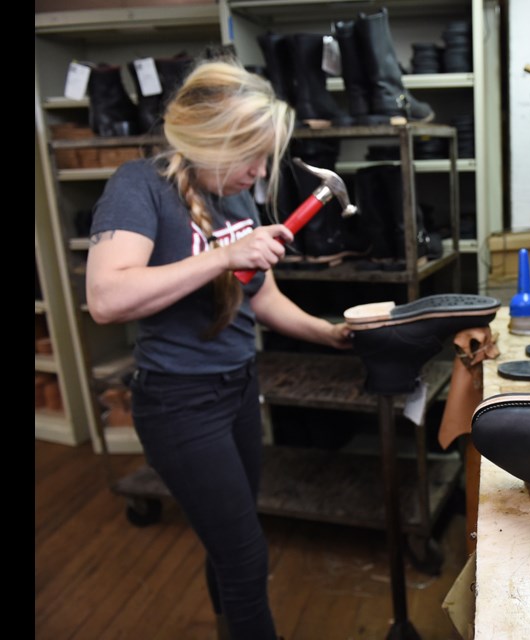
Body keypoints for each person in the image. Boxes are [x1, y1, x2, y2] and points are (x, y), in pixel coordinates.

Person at [85, 58, 353, 640]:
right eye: (250, 155)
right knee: (245, 555)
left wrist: (332, 334)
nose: (260, 171)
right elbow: (106, 296)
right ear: (209, 140)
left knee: (226, 537)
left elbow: (264, 301)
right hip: (179, 403)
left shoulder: (237, 200)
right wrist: (222, 257)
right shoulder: (139, 186)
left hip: (237, 388)